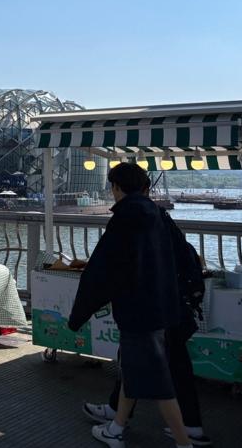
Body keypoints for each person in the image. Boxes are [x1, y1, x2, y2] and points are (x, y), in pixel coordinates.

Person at [68, 163, 192, 448]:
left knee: (158, 382)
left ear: (116, 187)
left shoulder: (124, 219)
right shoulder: (158, 215)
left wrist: (78, 315)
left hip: (138, 312)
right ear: (144, 187)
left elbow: (101, 272)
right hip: (162, 306)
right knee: (134, 368)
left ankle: (184, 443)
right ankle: (116, 427)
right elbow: (181, 253)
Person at [83, 194, 211, 446]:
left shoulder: (134, 219)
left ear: (118, 188)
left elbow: (110, 266)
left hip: (151, 310)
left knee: (158, 371)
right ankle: (120, 419)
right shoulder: (159, 217)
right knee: (147, 363)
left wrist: (83, 309)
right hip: (170, 305)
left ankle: (184, 436)